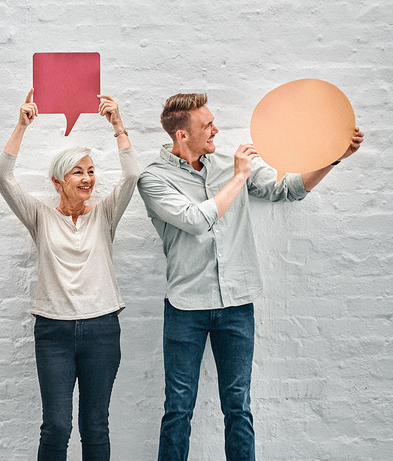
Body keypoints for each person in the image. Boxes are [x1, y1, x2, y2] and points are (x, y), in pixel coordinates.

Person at [137, 93, 365, 461]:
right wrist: (240, 175)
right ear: (181, 135)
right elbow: (197, 220)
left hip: (237, 305)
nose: (216, 129)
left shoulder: (229, 163)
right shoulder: (152, 178)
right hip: (186, 307)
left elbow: (287, 190)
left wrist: (334, 156)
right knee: (178, 410)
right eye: (206, 125)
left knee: (238, 408)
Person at [0, 89, 139, 460]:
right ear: (58, 181)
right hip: (53, 331)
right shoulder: (41, 217)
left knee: (95, 425)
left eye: (91, 171)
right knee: (56, 425)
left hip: (101, 329)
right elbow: (2, 176)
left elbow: (132, 174)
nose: (88, 178)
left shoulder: (104, 215)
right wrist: (21, 126)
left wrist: (118, 125)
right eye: (78, 172)